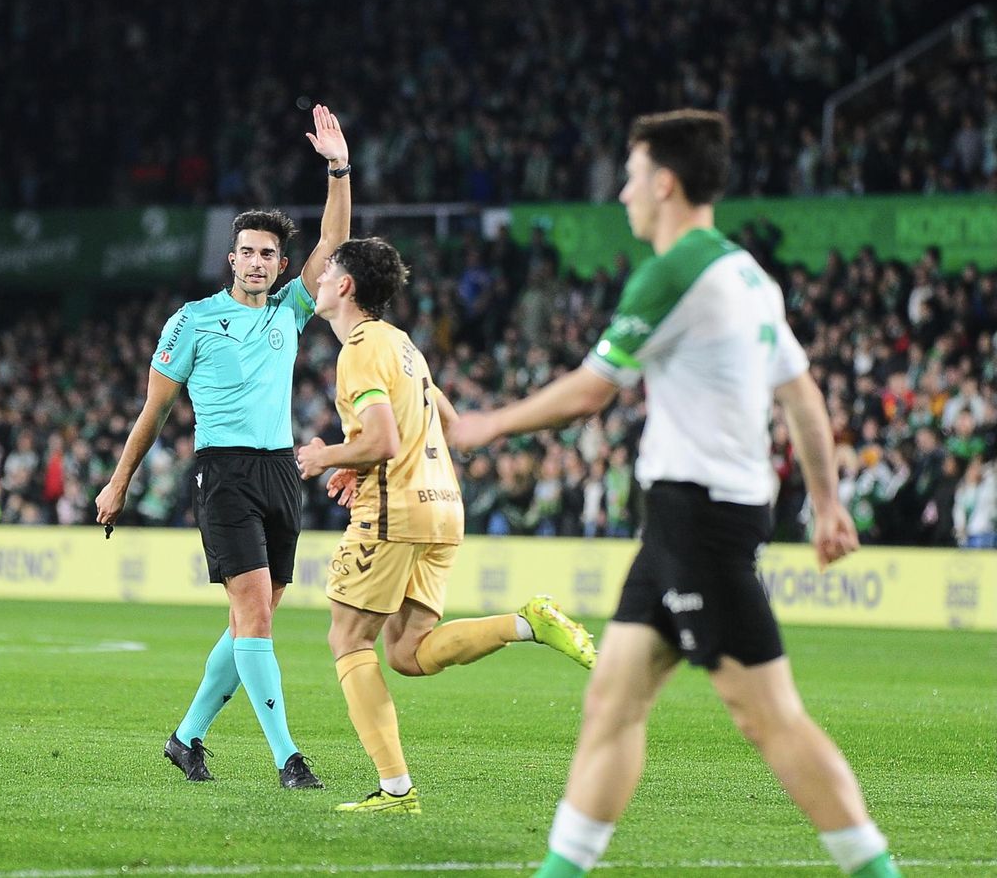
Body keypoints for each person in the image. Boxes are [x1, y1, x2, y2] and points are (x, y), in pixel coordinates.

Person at [448, 110, 902, 878]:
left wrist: (486, 427)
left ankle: (877, 871)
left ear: (664, 182)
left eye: (629, 176)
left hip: (701, 518)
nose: (621, 193)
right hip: (683, 520)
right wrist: (826, 503)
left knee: (768, 717)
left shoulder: (675, 269)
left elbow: (593, 390)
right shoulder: (746, 272)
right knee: (613, 703)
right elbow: (802, 397)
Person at [95, 104, 349, 789]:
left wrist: (338, 167)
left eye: (270, 253)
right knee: (256, 613)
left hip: (278, 471)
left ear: (282, 264)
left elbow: (336, 237)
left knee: (252, 618)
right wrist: (119, 482)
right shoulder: (193, 321)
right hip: (224, 473)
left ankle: (185, 738)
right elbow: (153, 412)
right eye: (248, 252)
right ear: (230, 257)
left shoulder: (291, 310)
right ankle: (286, 757)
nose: (259, 262)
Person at [295, 238, 596, 814]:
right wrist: (359, 461)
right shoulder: (406, 347)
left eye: (328, 269)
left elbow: (384, 438)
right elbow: (447, 425)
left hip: (396, 510)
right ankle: (526, 623)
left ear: (346, 287)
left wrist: (326, 456)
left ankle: (395, 789)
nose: (320, 277)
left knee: (347, 640)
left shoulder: (358, 348)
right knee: (407, 652)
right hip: (442, 504)